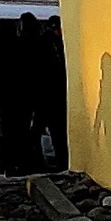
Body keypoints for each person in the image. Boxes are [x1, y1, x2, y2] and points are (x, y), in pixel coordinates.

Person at [0, 15, 39, 174]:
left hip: (6, 102)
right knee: (20, 135)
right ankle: (21, 166)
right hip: (20, 101)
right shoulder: (23, 48)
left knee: (7, 137)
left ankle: (11, 166)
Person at [32, 12, 70, 170]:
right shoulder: (51, 45)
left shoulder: (46, 43)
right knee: (57, 134)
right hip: (51, 97)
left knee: (44, 134)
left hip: (46, 97)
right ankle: (58, 163)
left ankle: (45, 163)